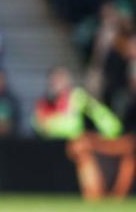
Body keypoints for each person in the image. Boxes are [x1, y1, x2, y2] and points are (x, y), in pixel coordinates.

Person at [33, 66, 133, 200]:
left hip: (86, 143)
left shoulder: (77, 97)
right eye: (54, 81)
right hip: (63, 147)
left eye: (59, 80)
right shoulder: (45, 102)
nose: (56, 84)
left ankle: (98, 193)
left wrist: (109, 135)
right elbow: (38, 124)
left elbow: (93, 119)